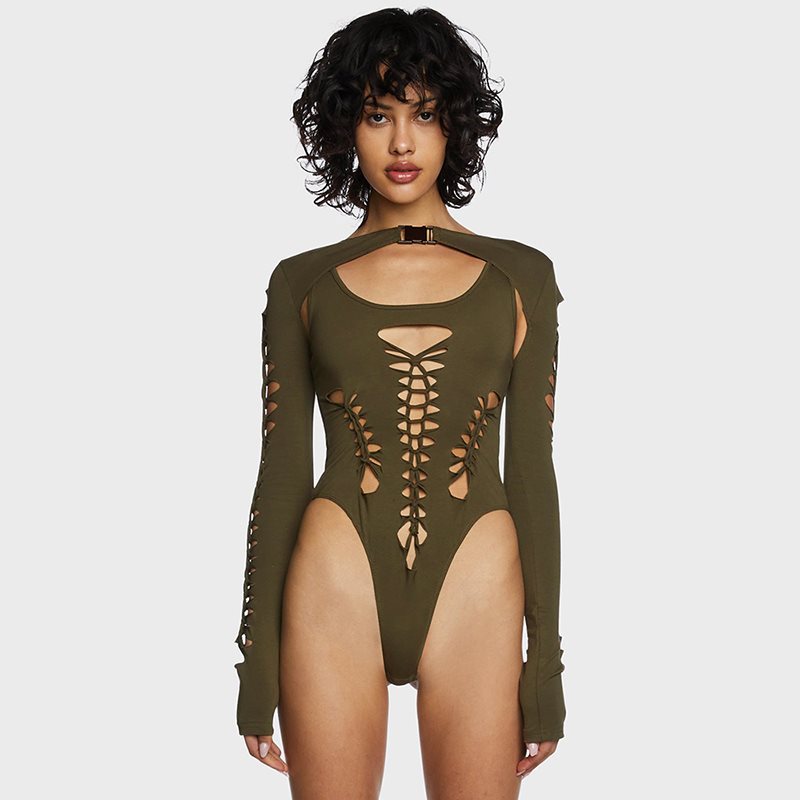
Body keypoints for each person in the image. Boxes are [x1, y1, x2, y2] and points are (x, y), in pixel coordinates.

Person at [233, 8, 567, 797]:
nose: (402, 143)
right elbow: (281, 473)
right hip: (333, 579)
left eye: (424, 113)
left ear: (456, 123)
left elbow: (531, 473)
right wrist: (254, 667)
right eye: (378, 115)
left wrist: (545, 670)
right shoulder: (300, 280)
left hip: (478, 582)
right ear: (346, 126)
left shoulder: (523, 276)